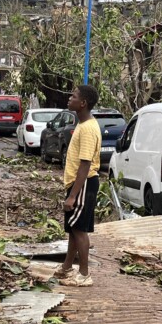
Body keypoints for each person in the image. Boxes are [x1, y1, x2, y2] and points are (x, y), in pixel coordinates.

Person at [54, 84, 101, 287]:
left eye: (73, 97)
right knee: (74, 228)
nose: (69, 99)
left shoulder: (88, 129)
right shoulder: (83, 125)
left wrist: (73, 196)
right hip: (79, 184)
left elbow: (85, 164)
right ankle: (66, 268)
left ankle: (84, 275)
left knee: (80, 230)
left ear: (82, 103)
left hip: (83, 183)